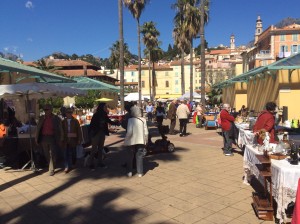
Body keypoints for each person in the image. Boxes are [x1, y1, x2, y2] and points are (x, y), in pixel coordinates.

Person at [88, 103, 118, 170]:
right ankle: (91, 163)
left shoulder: (104, 114)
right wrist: (91, 134)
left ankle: (100, 162)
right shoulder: (96, 115)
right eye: (105, 107)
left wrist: (116, 122)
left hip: (102, 133)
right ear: (102, 107)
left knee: (100, 149)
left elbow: (109, 121)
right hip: (95, 134)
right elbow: (92, 124)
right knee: (94, 149)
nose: (106, 108)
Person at [35, 104, 63, 176]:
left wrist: (61, 138)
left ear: (51, 110)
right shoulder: (41, 118)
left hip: (52, 137)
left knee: (52, 153)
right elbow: (38, 128)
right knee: (46, 153)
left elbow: (60, 129)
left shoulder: (56, 118)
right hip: (43, 137)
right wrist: (36, 138)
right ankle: (52, 165)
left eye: (47, 109)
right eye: (44, 110)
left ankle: (51, 169)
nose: (45, 111)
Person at [124, 105, 148, 177]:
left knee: (130, 156)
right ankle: (140, 172)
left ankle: (129, 172)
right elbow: (146, 132)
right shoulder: (143, 120)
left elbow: (129, 132)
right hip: (141, 140)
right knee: (139, 156)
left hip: (132, 140)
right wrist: (146, 140)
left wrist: (126, 139)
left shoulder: (130, 120)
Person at [61, 108, 82, 173]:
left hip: (73, 139)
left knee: (73, 153)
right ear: (65, 114)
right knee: (65, 153)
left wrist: (79, 139)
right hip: (65, 140)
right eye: (67, 113)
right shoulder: (63, 121)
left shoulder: (75, 121)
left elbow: (79, 131)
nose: (69, 114)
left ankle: (73, 163)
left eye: (70, 113)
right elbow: (61, 131)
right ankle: (66, 166)